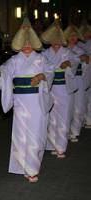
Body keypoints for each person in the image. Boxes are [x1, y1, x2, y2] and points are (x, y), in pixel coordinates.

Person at [0, 18, 54, 183]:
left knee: (36, 133)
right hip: (21, 102)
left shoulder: (41, 59)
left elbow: (50, 71)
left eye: (29, 42)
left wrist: (41, 76)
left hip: (37, 101)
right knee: (21, 134)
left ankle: (33, 168)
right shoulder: (15, 60)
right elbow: (6, 69)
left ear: (33, 43)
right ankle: (23, 165)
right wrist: (0, 73)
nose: (27, 45)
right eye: (24, 42)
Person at [40, 19, 80, 158]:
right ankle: (52, 144)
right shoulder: (45, 54)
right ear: (50, 41)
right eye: (53, 39)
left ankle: (61, 147)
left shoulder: (67, 52)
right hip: (50, 89)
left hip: (63, 88)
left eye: (58, 39)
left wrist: (69, 62)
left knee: (63, 117)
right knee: (51, 116)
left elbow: (76, 59)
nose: (56, 42)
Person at [64, 24, 90, 142]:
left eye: (75, 35)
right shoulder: (63, 51)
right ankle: (65, 130)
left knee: (78, 105)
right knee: (67, 106)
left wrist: (87, 59)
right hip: (65, 81)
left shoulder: (81, 50)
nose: (73, 38)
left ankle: (74, 131)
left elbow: (87, 62)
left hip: (78, 79)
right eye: (70, 35)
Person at [77, 21, 91, 128]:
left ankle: (89, 119)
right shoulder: (79, 45)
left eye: (88, 33)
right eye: (84, 33)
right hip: (82, 71)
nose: (86, 35)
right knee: (82, 97)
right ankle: (81, 119)